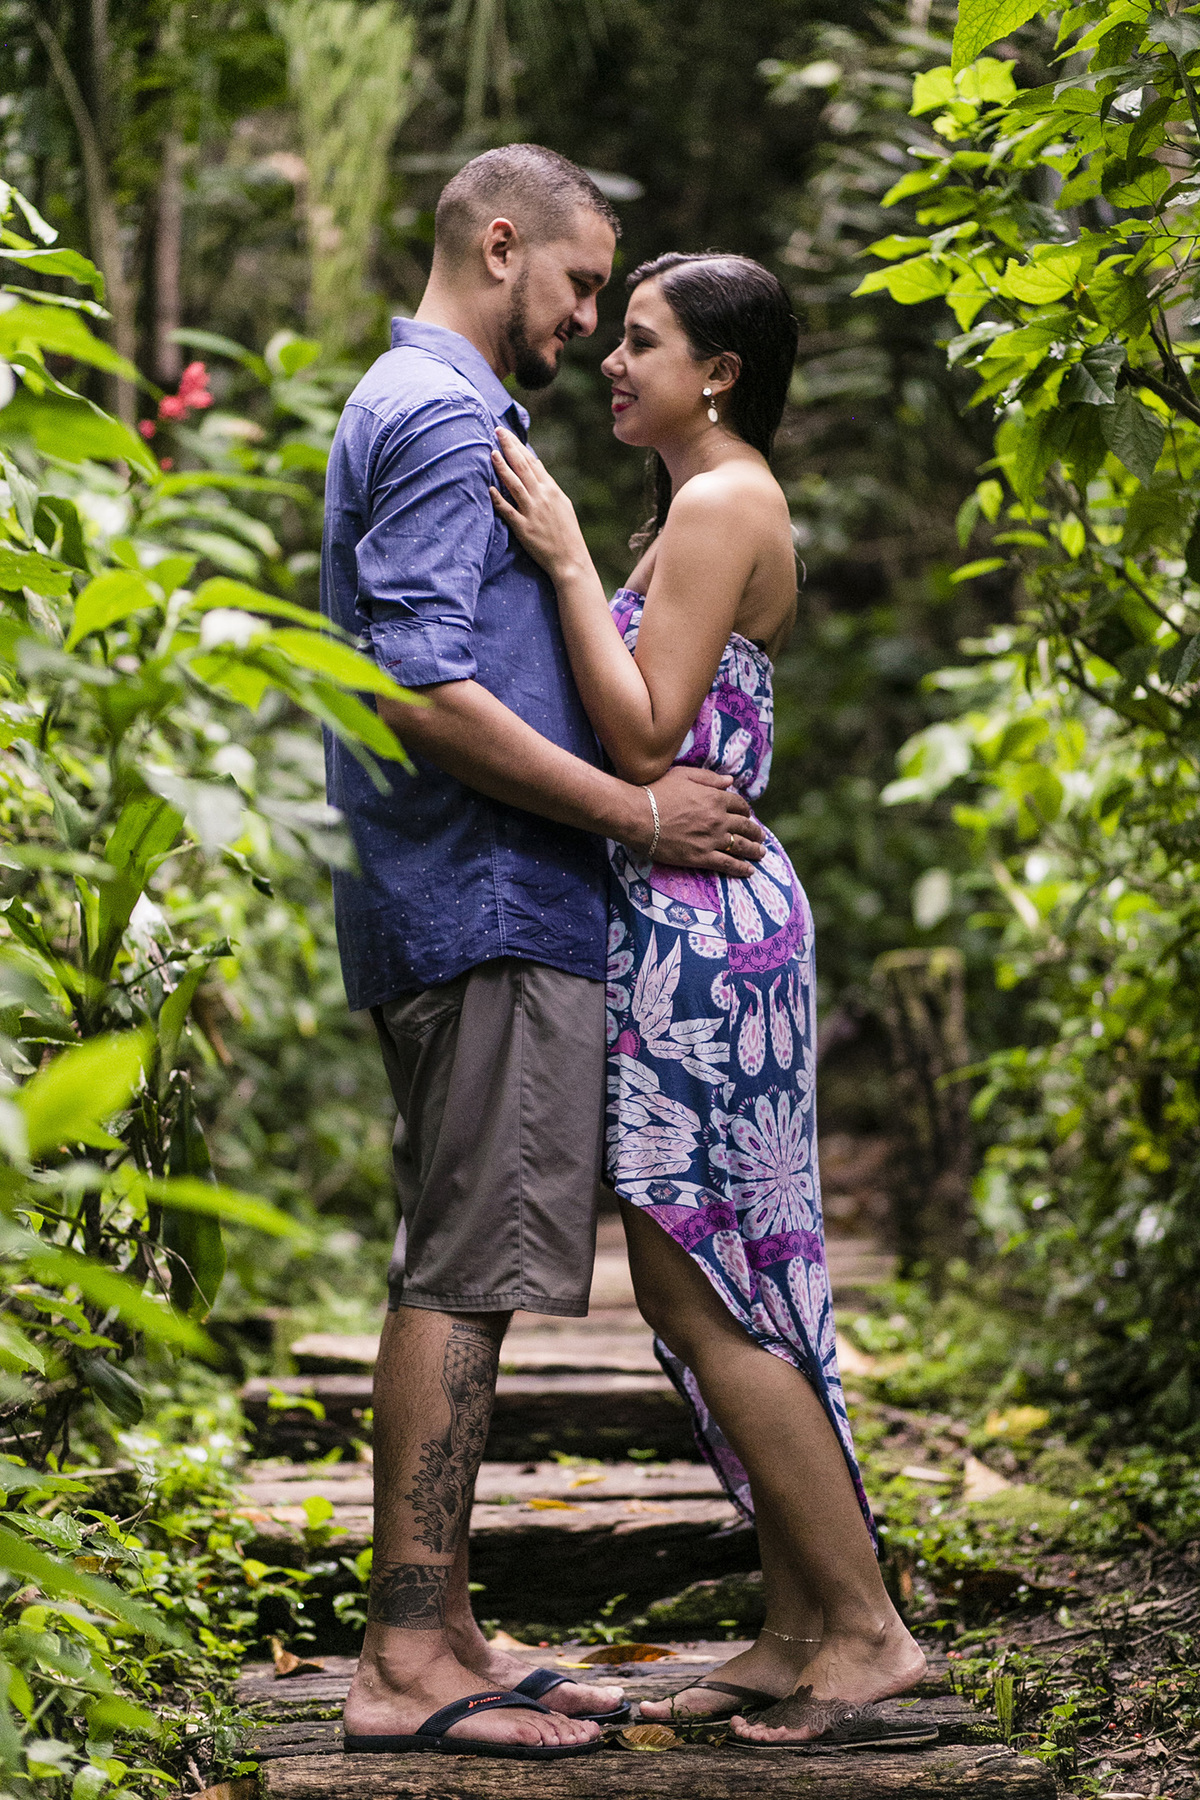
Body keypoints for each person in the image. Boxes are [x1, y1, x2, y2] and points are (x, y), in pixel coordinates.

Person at [320, 150, 767, 1761]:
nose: (588, 321)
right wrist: (640, 815)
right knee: (464, 1266)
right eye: (582, 285)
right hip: (489, 896)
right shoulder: (443, 414)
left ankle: (438, 1630)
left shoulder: (436, 408)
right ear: (502, 245)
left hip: (483, 898)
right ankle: (399, 1662)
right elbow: (421, 696)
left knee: (477, 1257)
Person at [488, 250, 932, 1750]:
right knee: (728, 1270)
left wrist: (559, 560)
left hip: (702, 928)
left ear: (719, 371)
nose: (614, 361)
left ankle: (866, 1633)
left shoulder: (724, 497)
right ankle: (800, 1621)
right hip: (688, 919)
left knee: (696, 1275)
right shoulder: (709, 500)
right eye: (614, 338)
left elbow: (646, 733)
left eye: (644, 340)